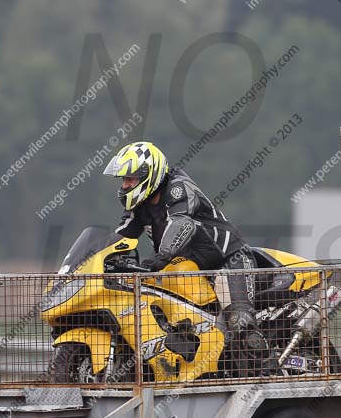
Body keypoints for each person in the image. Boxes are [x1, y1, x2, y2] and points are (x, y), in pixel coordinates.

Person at [102, 141, 273, 377]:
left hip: (227, 259)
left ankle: (265, 372)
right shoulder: (139, 205)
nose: (124, 185)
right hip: (186, 266)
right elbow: (121, 235)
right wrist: (101, 260)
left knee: (239, 320)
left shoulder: (178, 189)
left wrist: (160, 258)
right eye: (123, 180)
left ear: (147, 175)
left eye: (129, 179)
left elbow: (181, 223)